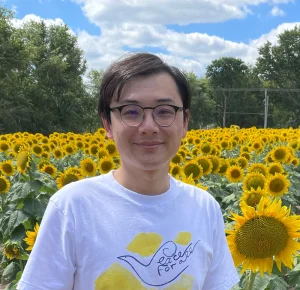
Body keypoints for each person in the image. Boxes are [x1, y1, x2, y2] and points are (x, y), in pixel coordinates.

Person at [17, 53, 239, 290]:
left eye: (164, 111)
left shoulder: (205, 208)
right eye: (131, 112)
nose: (149, 127)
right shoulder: (71, 207)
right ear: (107, 124)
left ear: (184, 122)